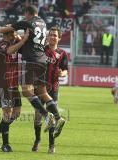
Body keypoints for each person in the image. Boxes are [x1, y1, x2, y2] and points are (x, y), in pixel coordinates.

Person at [0, 5, 65, 135]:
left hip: (31, 61)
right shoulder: (43, 23)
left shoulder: (27, 22)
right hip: (43, 60)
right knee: (42, 92)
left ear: (28, 13)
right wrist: (21, 38)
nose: (25, 17)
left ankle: (46, 116)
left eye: (25, 14)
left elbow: (7, 29)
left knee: (27, 90)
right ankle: (58, 117)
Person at [0, 30, 29, 152]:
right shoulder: (2, 44)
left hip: (14, 83)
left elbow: (25, 47)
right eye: (12, 34)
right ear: (6, 35)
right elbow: (10, 51)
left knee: (16, 113)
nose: (13, 36)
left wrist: (21, 38)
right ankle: (6, 144)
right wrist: (22, 39)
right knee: (7, 113)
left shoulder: (16, 42)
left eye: (14, 34)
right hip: (3, 83)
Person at [32, 26, 68, 154]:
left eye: (54, 35)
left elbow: (65, 70)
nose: (52, 37)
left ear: (59, 37)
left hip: (53, 89)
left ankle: (51, 145)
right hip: (39, 87)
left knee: (52, 117)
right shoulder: (41, 50)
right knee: (37, 117)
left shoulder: (62, 53)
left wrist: (61, 74)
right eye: (50, 34)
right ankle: (37, 140)